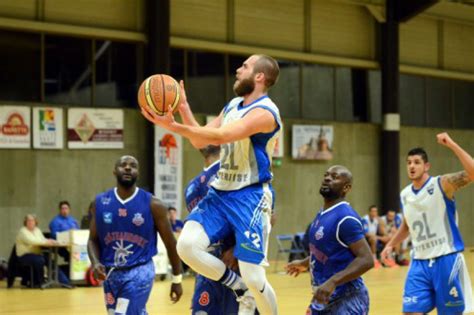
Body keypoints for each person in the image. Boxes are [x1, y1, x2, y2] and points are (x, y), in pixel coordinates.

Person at [141, 54, 281, 314]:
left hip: (250, 197)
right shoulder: (233, 105)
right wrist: (183, 108)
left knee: (254, 276)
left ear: (260, 77)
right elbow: (202, 141)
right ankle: (239, 289)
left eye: (245, 67)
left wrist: (171, 126)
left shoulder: (265, 112)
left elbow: (222, 135)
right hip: (221, 192)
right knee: (186, 246)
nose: (238, 70)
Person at [381, 132, 474, 315]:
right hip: (419, 262)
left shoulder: (442, 184)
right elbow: (408, 226)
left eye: (416, 162)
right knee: (410, 312)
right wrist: (390, 245)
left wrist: (452, 144)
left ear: (427, 166)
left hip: (446, 258)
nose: (412, 166)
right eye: (408, 162)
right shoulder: (405, 194)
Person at [87, 155, 183, 315]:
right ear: (114, 171)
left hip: (140, 270)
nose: (127, 168)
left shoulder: (154, 204)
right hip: (111, 273)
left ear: (138, 173)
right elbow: (92, 240)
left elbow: (171, 244)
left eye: (133, 165)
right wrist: (95, 263)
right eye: (123, 165)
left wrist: (177, 279)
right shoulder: (100, 203)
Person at [285, 165, 373, 314]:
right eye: (326, 175)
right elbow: (327, 252)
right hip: (324, 296)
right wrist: (304, 263)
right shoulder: (322, 213)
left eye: (334, 177)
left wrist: (333, 281)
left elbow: (367, 260)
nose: (327, 178)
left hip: (347, 297)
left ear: (346, 188)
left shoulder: (346, 218)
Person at [15, 214, 57, 287]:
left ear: (35, 222)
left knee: (49, 259)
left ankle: (55, 280)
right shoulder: (23, 231)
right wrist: (46, 242)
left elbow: (42, 239)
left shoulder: (37, 230)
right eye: (28, 220)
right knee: (39, 260)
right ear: (25, 222)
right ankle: (39, 282)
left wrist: (50, 240)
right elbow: (31, 241)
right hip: (24, 255)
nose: (30, 222)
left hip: (36, 254)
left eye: (32, 220)